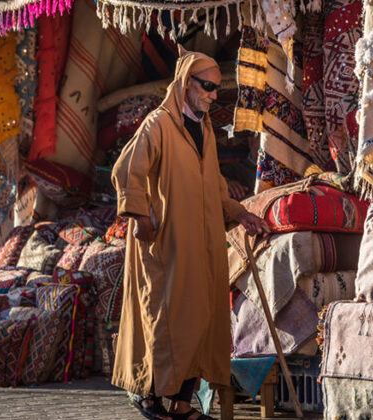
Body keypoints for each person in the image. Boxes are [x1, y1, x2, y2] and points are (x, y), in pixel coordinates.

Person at [111, 49, 269, 420]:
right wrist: (141, 216)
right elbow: (125, 171)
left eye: (216, 88)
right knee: (163, 319)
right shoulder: (158, 124)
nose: (214, 95)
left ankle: (183, 404)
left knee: (200, 318)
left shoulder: (205, 129)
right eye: (209, 87)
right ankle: (145, 394)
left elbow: (212, 183)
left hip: (201, 243)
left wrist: (238, 212)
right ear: (187, 84)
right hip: (166, 244)